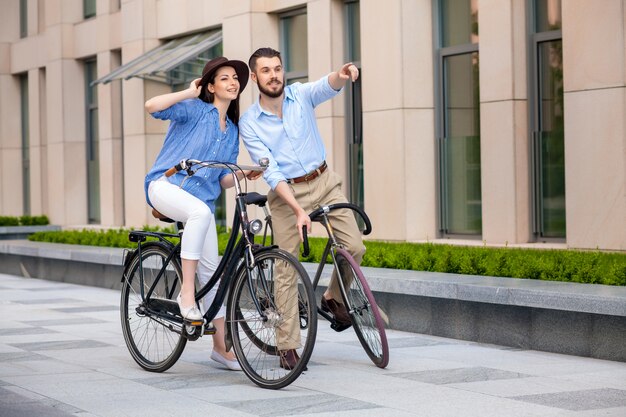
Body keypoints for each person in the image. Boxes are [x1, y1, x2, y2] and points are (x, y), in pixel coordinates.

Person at [240, 47, 365, 369]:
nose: (274, 75)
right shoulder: (250, 122)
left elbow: (327, 85)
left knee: (353, 246)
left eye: (278, 68)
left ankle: (333, 297)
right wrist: (298, 210)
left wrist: (343, 74)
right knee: (285, 267)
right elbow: (271, 172)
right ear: (255, 78)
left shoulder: (299, 95)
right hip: (286, 195)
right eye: (266, 70)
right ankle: (287, 345)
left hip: (324, 182)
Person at [144, 56, 260, 371]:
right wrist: (187, 92)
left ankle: (221, 348)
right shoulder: (194, 109)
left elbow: (220, 179)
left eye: (235, 78)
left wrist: (241, 175)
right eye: (224, 78)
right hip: (164, 185)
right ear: (210, 85)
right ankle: (186, 295)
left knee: (215, 272)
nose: (232, 82)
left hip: (202, 206)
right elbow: (151, 105)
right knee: (199, 213)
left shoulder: (231, 130)